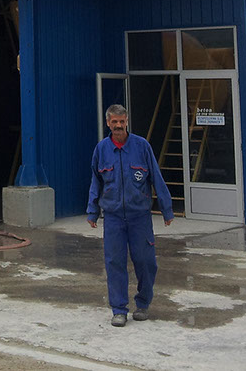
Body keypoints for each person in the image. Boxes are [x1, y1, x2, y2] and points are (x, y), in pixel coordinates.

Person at [86, 104, 173, 327]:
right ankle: (119, 309)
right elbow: (96, 181)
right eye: (114, 122)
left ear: (126, 121)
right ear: (108, 123)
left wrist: (166, 209)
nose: (118, 125)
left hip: (139, 217)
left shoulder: (141, 146)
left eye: (121, 121)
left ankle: (143, 303)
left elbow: (156, 176)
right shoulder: (101, 149)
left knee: (145, 261)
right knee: (115, 262)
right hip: (113, 217)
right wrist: (92, 211)